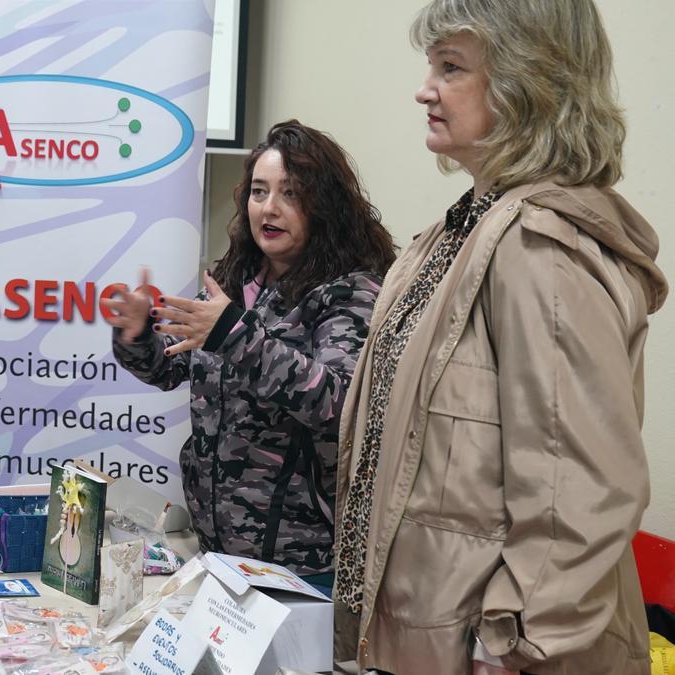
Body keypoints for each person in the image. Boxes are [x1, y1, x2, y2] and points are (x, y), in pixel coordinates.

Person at [331, 1, 666, 673]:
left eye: (450, 66)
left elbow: (580, 493)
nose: (424, 88)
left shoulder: (542, 247)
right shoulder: (455, 234)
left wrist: (509, 648)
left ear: (528, 82)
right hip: (425, 641)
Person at [104, 120, 397, 586]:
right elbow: (169, 367)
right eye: (259, 192)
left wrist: (233, 335)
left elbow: (340, 404)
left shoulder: (353, 293)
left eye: (291, 194)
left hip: (304, 567)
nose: (270, 208)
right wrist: (137, 334)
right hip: (219, 555)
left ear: (325, 205)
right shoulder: (239, 279)